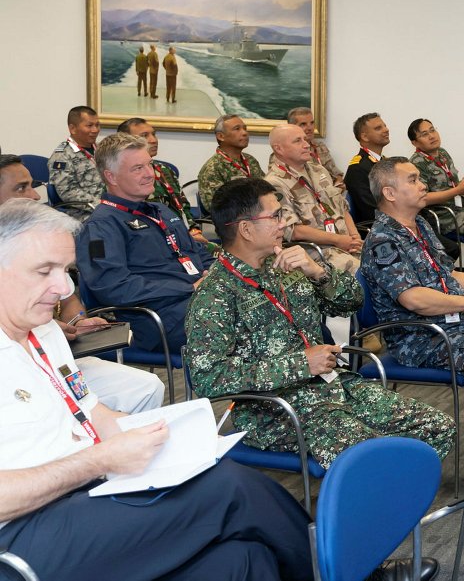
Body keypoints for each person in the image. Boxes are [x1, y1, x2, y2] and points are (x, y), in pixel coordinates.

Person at [0, 199, 315, 581]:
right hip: (19, 538)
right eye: (44, 271)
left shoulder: (44, 331)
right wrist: (100, 460)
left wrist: (163, 434)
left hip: (84, 495)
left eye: (66, 271)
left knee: (243, 559)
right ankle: (336, 570)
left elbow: (88, 411)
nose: (64, 288)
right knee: (229, 488)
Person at [187, 178, 456, 469]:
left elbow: (352, 303)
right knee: (371, 458)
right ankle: (371, 503)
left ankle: (388, 498)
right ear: (246, 229)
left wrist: (318, 272)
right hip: (276, 409)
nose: (283, 223)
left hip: (333, 386)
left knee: (438, 427)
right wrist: (301, 364)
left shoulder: (286, 266)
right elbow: (207, 378)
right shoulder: (216, 293)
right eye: (276, 216)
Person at [0, 155, 164, 414]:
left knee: (145, 387)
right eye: (21, 188)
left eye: (32, 185)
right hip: (16, 361)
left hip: (53, 351)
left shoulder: (41, 243)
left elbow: (69, 296)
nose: (33, 195)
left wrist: (76, 321)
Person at [76, 133, 213, 354]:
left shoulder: (162, 211)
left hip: (197, 301)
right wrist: (187, 287)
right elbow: (113, 287)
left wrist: (215, 275)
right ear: (111, 177)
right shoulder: (100, 227)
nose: (150, 174)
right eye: (138, 168)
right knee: (247, 320)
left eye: (149, 165)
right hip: (154, 319)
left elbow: (197, 251)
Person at [361, 157, 464, 372]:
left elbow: (448, 275)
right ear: (389, 193)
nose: (423, 185)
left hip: (454, 324)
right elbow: (413, 299)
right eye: (412, 180)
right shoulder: (383, 240)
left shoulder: (419, 224)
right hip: (422, 339)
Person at [264, 124, 361, 275]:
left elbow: (342, 208)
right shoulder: (274, 183)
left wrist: (354, 237)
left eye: (305, 139)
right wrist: (338, 240)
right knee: (363, 274)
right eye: (297, 141)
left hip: (345, 243)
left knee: (385, 264)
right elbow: (293, 231)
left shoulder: (319, 170)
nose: (306, 144)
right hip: (316, 252)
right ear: (279, 149)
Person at [117, 117, 209, 246]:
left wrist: (193, 230)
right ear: (125, 141)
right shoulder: (121, 175)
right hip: (148, 241)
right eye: (144, 136)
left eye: (153, 134)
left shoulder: (164, 170)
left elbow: (182, 207)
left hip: (181, 236)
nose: (153, 140)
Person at [409, 118, 464, 256]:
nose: (431, 136)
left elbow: (453, 183)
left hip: (461, 209)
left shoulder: (443, 153)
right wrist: (458, 190)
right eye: (424, 134)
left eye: (432, 130)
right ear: (414, 142)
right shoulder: (416, 163)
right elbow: (423, 198)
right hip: (443, 216)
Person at [196, 113, 265, 210]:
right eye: (237, 129)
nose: (244, 133)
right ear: (221, 136)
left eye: (245, 128)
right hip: (236, 221)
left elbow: (265, 189)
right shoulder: (213, 168)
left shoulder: (250, 160)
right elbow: (216, 208)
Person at [47, 104, 104, 220]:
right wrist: (102, 205)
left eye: (97, 125)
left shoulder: (101, 149)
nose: (95, 130)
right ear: (72, 128)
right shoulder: (62, 155)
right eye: (89, 125)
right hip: (82, 212)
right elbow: (67, 192)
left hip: (107, 206)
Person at [345, 111, 391, 227]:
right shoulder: (358, 168)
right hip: (379, 229)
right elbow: (370, 211)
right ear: (364, 136)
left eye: (384, 125)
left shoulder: (383, 161)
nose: (386, 130)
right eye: (378, 128)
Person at [288, 106, 344, 187]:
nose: (310, 128)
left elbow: (337, 174)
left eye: (312, 123)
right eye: (303, 124)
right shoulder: (285, 152)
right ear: (292, 127)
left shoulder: (320, 146)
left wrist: (337, 185)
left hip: (327, 193)